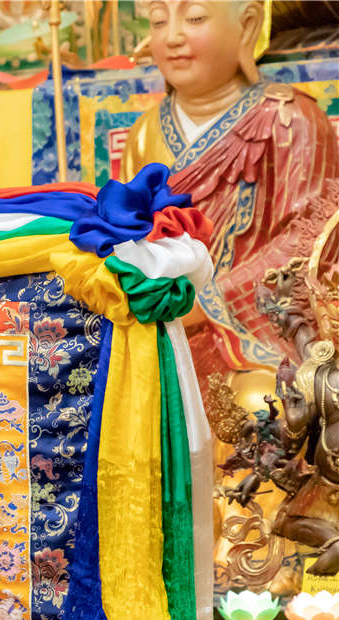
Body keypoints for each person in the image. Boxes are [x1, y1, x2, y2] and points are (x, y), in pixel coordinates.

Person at [121, 0, 339, 376]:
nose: (172, 36)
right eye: (158, 21)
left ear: (247, 25)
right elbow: (128, 234)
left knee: (262, 398)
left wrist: (206, 301)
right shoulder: (144, 132)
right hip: (162, 326)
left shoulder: (292, 119)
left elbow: (309, 244)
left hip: (258, 329)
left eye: (194, 17)